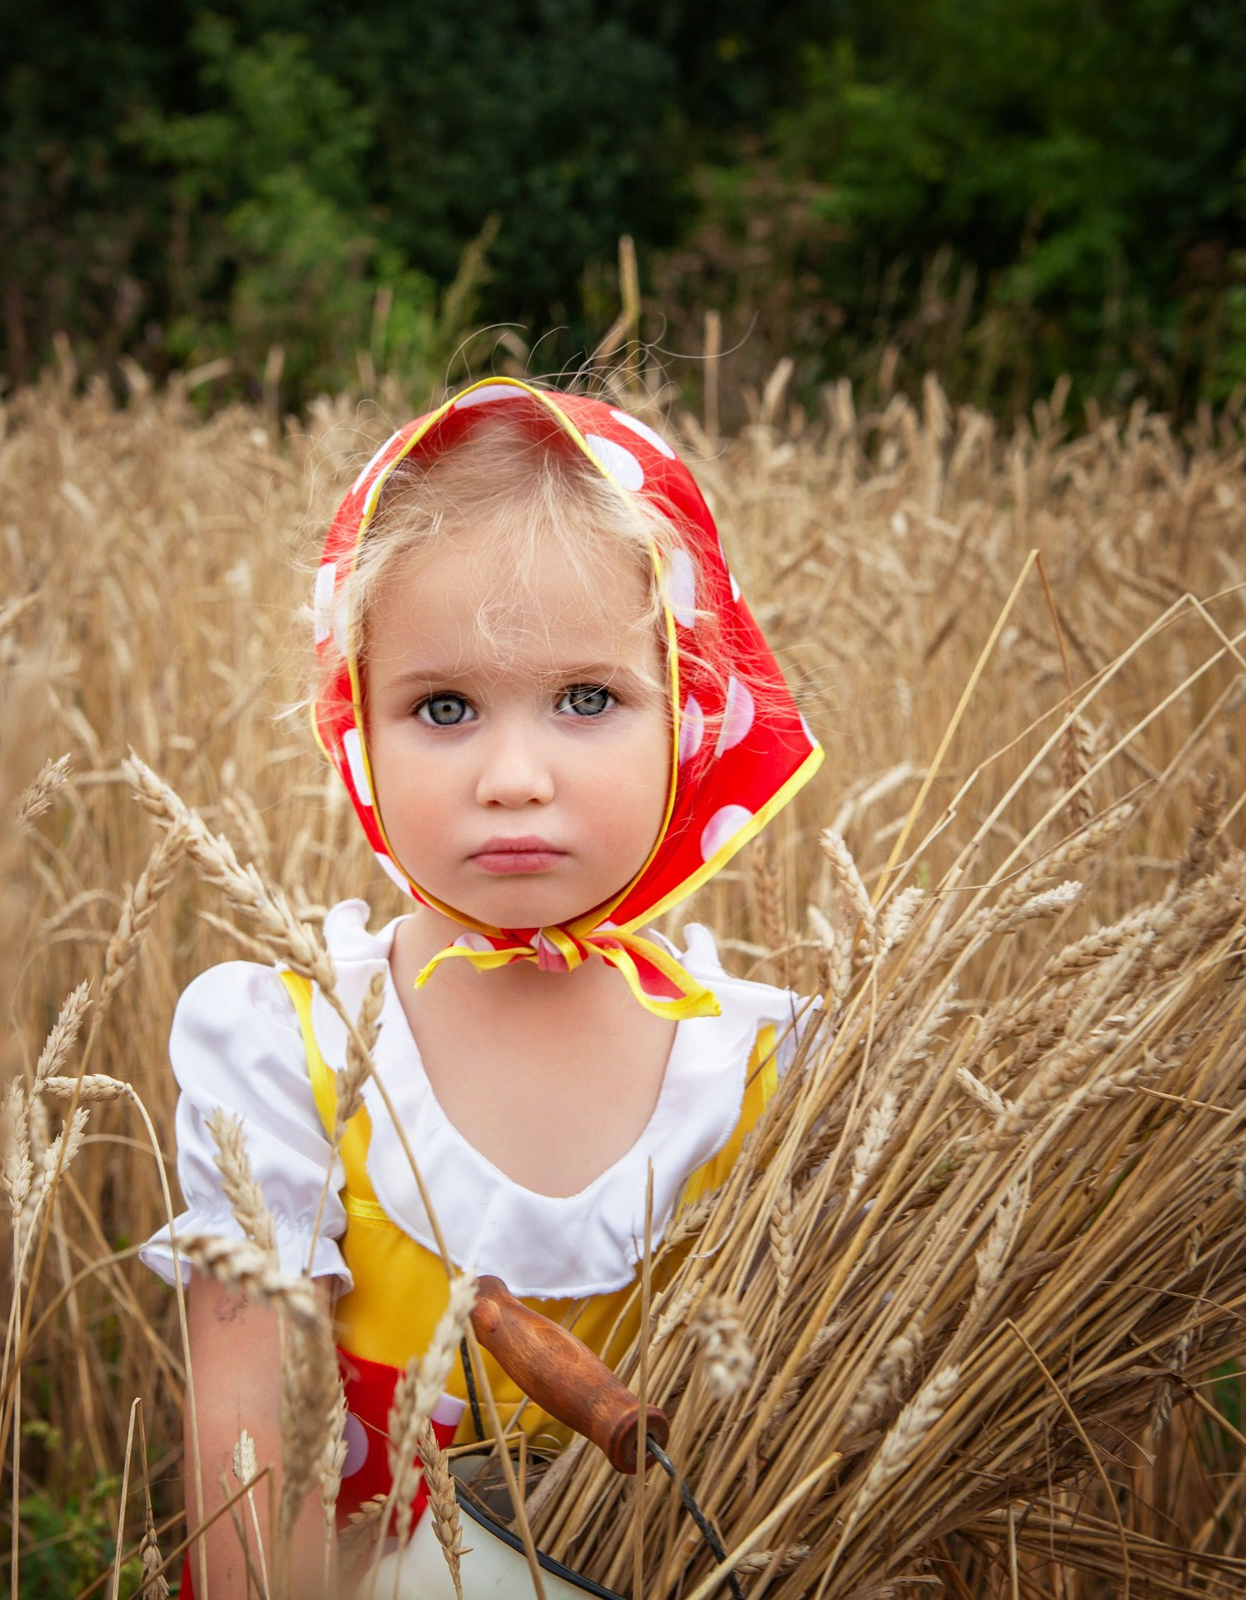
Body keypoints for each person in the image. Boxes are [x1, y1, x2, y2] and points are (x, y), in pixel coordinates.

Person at [137, 377, 822, 1593]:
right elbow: (247, 1458)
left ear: (692, 712)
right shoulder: (289, 1049)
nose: (513, 774)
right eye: (443, 706)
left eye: (587, 700)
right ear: (355, 722)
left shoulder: (771, 1071)